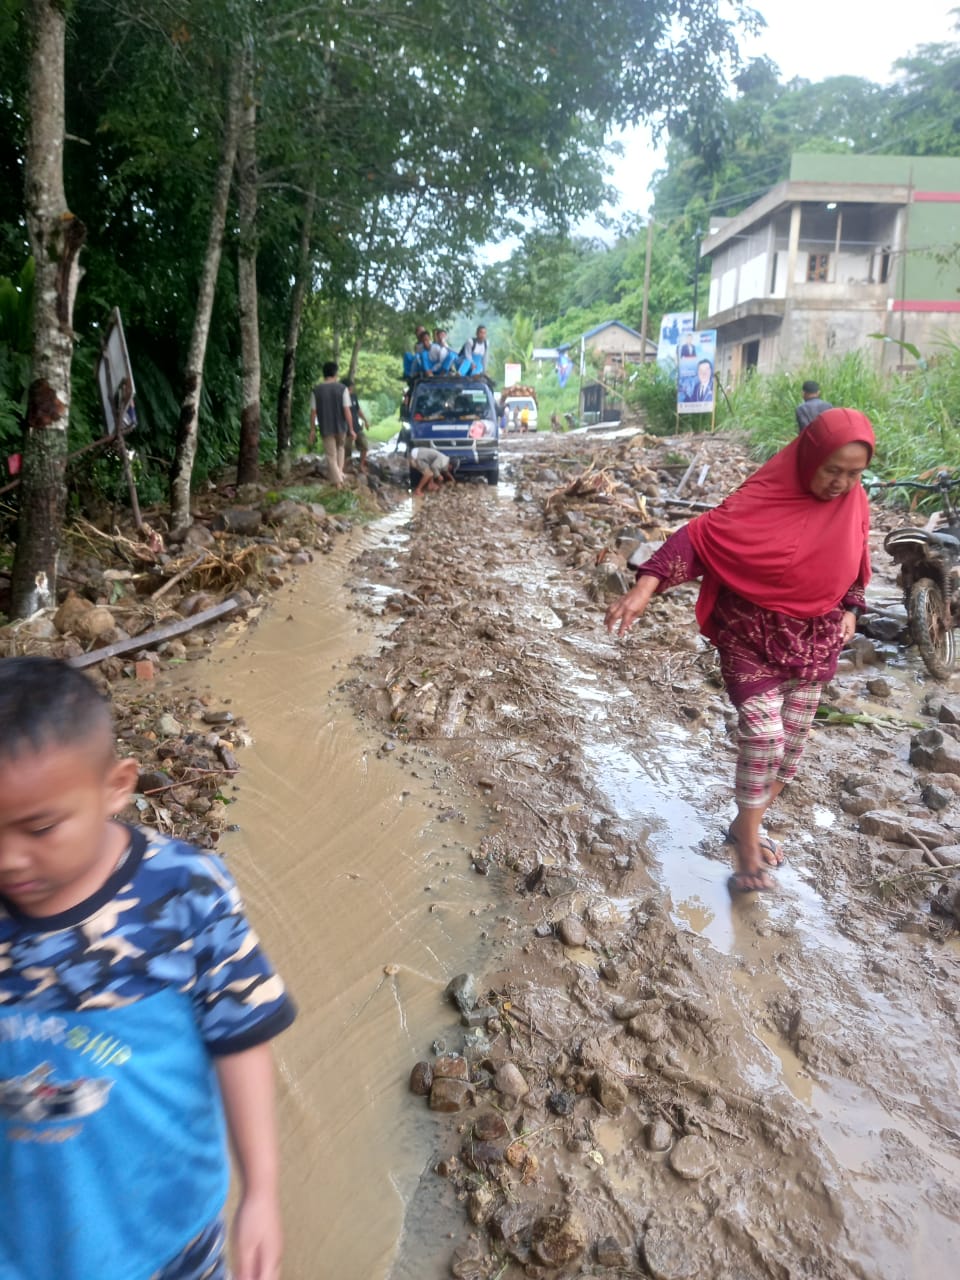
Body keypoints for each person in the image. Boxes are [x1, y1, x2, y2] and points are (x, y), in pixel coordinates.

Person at [0, 657, 295, 1279]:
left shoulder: (186, 893)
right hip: (25, 1241)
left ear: (117, 786)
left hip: (169, 1235)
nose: (8, 859)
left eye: (40, 827)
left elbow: (240, 1040)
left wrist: (261, 1192)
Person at [604, 409, 874, 894]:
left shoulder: (854, 501)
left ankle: (744, 823)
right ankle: (748, 841)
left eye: (854, 474)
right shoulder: (765, 495)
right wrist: (644, 590)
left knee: (789, 751)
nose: (841, 483)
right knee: (764, 736)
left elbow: (855, 558)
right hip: (751, 631)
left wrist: (852, 606)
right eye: (833, 469)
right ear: (809, 457)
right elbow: (700, 538)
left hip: (815, 638)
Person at [309, 360, 354, 488]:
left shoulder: (316, 390)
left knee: (330, 455)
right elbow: (347, 410)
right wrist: (351, 428)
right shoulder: (342, 389)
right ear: (336, 373)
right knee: (340, 448)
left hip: (326, 427)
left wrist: (312, 429)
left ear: (324, 374)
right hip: (341, 427)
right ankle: (339, 477)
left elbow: (313, 412)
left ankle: (338, 480)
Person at [343, 375, 369, 474]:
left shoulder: (354, 396)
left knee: (364, 446)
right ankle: (345, 469)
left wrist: (365, 420)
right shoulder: (341, 398)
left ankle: (361, 465)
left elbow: (358, 410)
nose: (352, 389)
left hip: (357, 427)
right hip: (346, 429)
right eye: (350, 387)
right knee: (347, 450)